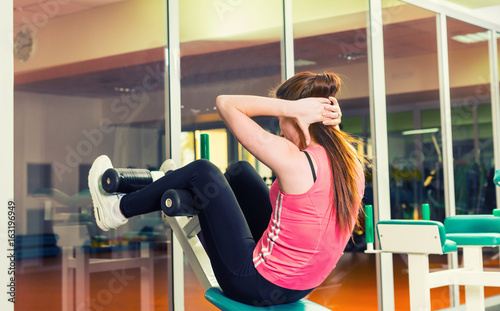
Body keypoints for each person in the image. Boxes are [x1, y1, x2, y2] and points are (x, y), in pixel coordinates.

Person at [89, 71, 366, 307]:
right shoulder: (349, 161)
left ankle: (117, 210)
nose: (281, 130)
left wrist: (290, 108)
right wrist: (325, 118)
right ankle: (179, 182)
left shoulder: (295, 160)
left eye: (283, 120)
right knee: (240, 172)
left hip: (254, 283)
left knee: (203, 171)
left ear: (298, 117)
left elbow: (225, 104)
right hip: (300, 286)